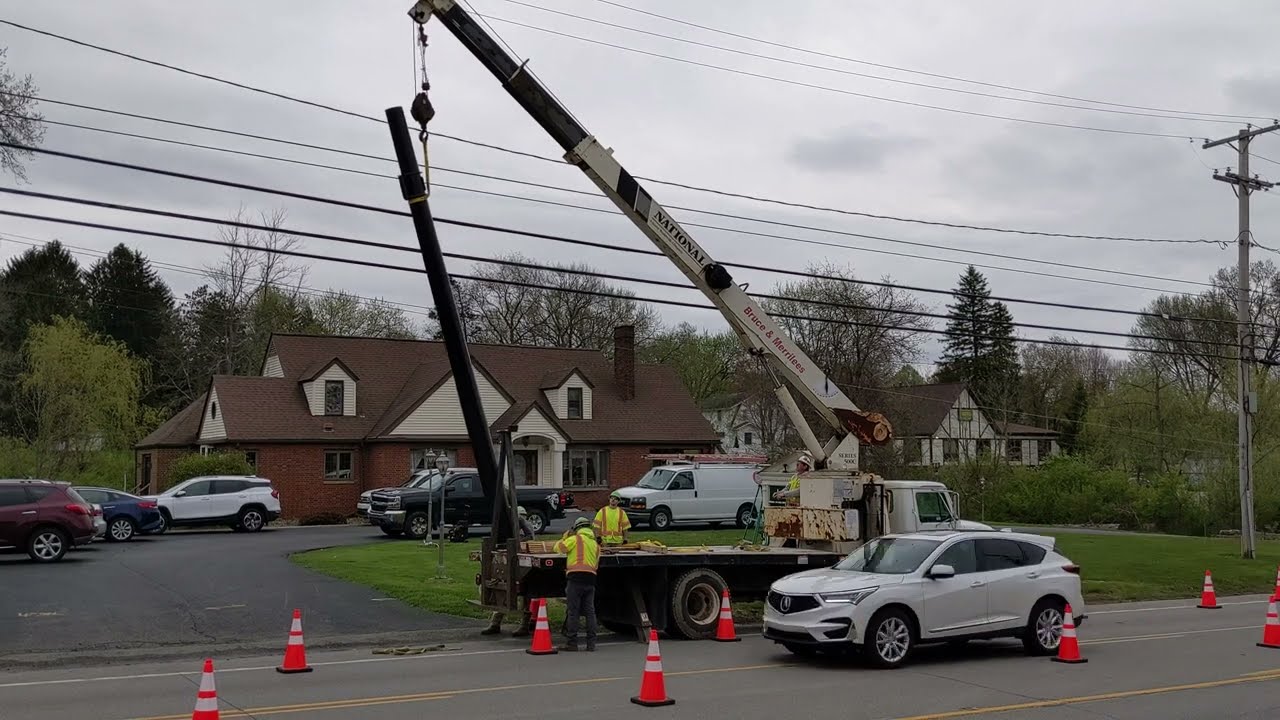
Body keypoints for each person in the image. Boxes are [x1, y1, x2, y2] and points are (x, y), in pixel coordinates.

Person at [480, 506, 537, 637]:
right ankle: (495, 623)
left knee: (525, 592)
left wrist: (517, 543)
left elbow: (530, 537)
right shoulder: (507, 525)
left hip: (522, 560)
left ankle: (524, 625)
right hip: (508, 558)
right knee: (503, 590)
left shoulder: (523, 523)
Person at [553, 516, 600, 651]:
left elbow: (559, 548)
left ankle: (572, 643)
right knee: (590, 612)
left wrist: (565, 538)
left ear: (577, 528)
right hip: (590, 580)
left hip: (575, 579)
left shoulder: (574, 540)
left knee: (573, 612)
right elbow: (596, 564)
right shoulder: (596, 545)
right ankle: (591, 644)